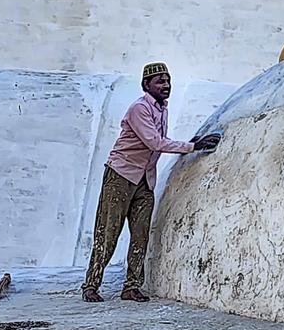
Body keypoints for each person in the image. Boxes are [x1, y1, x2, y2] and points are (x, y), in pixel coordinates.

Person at [81, 62, 220, 302]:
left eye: (168, 81)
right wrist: (192, 147)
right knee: (108, 233)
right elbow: (154, 142)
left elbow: (160, 140)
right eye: (160, 81)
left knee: (140, 234)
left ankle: (131, 286)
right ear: (147, 85)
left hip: (145, 179)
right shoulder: (140, 108)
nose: (166, 86)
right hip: (121, 175)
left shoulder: (162, 108)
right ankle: (91, 285)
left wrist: (189, 143)